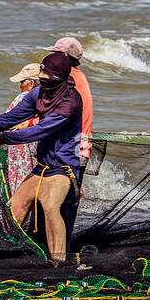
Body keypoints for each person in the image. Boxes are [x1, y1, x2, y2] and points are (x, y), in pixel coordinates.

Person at [0, 53, 83, 263]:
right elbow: (11, 118)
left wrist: (3, 138)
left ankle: (59, 264)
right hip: (42, 167)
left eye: (46, 74)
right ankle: (4, 256)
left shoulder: (71, 101)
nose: (41, 77)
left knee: (51, 207)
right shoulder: (39, 93)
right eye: (41, 72)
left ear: (58, 77)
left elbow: (40, 131)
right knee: (14, 207)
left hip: (62, 168)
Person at [47, 36, 94, 235]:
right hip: (80, 149)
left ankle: (54, 255)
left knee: (56, 206)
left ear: (65, 57)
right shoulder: (80, 76)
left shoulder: (69, 79)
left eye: (56, 55)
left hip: (69, 152)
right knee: (66, 206)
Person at [2, 62, 41, 196]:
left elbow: (6, 121)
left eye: (22, 82)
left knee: (19, 184)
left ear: (31, 83)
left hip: (21, 147)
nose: (20, 86)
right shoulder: (46, 98)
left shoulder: (23, 98)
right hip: (38, 148)